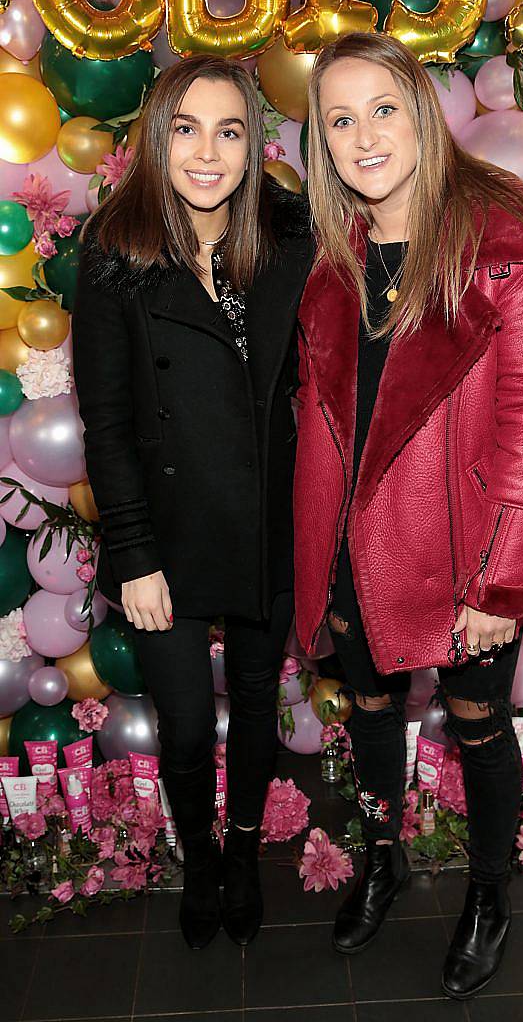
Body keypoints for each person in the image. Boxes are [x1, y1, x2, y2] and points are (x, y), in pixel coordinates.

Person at [293, 32, 523, 999]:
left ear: (419, 110)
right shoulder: (335, 260)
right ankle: (383, 856)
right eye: (339, 117)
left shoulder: (501, 244)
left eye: (381, 107)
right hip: (348, 543)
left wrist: (502, 579)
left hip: (459, 548)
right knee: (370, 708)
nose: (362, 134)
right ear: (320, 142)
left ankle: (489, 895)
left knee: (476, 721)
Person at [72, 55, 313, 951]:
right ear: (156, 137)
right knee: (182, 718)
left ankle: (243, 853)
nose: (205, 154)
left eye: (228, 130)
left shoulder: (292, 235)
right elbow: (106, 418)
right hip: (166, 534)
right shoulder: (114, 247)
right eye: (185, 129)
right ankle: (201, 857)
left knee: (255, 700)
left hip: (269, 521)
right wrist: (131, 553)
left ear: (254, 144)